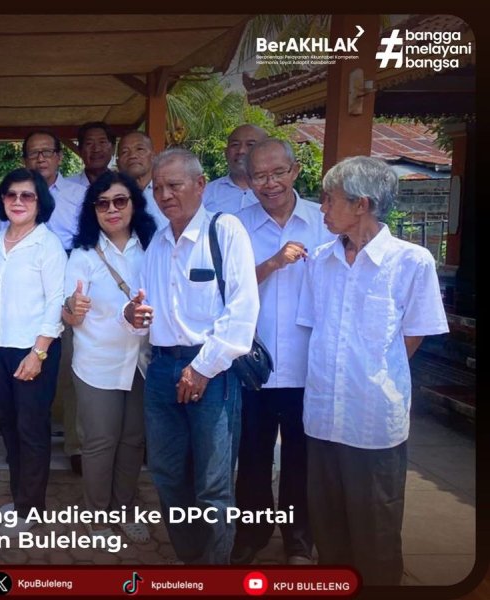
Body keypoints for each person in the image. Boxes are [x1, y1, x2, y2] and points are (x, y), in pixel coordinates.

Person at [297, 156, 448, 584]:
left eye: (330, 199)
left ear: (361, 204)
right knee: (328, 526)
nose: (322, 207)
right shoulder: (320, 260)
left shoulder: (412, 262)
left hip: (373, 420)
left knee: (376, 532)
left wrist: (375, 376)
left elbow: (413, 336)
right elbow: (314, 327)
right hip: (323, 416)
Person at [124, 148, 258, 564]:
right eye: (158, 188)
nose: (165, 195)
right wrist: (133, 315)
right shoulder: (158, 244)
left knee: (213, 483)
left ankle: (213, 569)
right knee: (166, 474)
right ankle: (190, 559)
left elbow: (242, 311)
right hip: (162, 368)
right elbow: (144, 314)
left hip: (212, 372)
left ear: (200, 185)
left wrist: (200, 369)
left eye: (174, 185)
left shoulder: (225, 231)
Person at [232, 139, 331, 566]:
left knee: (301, 457)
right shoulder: (235, 227)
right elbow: (227, 289)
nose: (269, 183)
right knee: (252, 456)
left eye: (277, 173)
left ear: (295, 171)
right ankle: (251, 535)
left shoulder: (324, 223)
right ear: (248, 178)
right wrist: (272, 263)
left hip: (309, 365)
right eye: (259, 175)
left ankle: (298, 540)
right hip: (253, 365)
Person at [63, 171, 156, 543]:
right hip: (97, 362)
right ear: (93, 210)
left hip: (142, 362)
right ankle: (97, 515)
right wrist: (73, 308)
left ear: (134, 203)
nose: (112, 209)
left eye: (120, 200)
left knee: (133, 440)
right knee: (100, 441)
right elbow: (68, 312)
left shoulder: (153, 246)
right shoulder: (83, 254)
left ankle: (125, 507)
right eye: (102, 203)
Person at [0, 168, 66, 533]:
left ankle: (31, 508)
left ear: (40, 202)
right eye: (11, 194)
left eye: (27, 195)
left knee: (31, 430)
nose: (18, 201)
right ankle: (20, 498)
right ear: (2, 200)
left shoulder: (48, 244)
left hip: (33, 351)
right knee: (8, 427)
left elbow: (56, 302)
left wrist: (38, 354)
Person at [22, 130, 88, 475]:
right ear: (25, 160)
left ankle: (76, 445)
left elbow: (92, 241)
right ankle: (29, 444)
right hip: (27, 294)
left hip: (67, 290)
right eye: (33, 153)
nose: (41, 158)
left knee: (72, 369)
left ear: (60, 157)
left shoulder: (80, 195)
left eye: (47, 152)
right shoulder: (17, 195)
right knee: (29, 367)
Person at [202, 124, 268, 215]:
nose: (241, 151)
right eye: (235, 145)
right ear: (225, 152)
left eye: (250, 145)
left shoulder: (276, 192)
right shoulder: (205, 193)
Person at [116, 130, 166, 228]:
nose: (132, 156)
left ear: (153, 156)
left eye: (140, 149)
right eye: (125, 152)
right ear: (118, 162)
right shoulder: (112, 196)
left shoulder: (169, 191)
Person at [66, 122, 115, 188]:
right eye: (89, 143)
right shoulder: (66, 187)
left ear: (112, 148)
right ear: (80, 150)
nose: (96, 149)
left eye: (102, 142)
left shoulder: (123, 185)